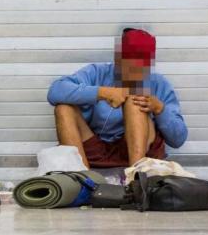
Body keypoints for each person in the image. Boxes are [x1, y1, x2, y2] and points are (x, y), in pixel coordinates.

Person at [46, 28, 188, 169]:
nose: (136, 69)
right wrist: (103, 92)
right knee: (63, 108)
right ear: (118, 58)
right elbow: (55, 91)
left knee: (135, 100)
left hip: (135, 151)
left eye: (142, 64)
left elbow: (178, 140)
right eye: (130, 61)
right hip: (94, 150)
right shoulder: (97, 73)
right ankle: (81, 176)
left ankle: (136, 177)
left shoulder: (158, 83)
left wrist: (159, 109)